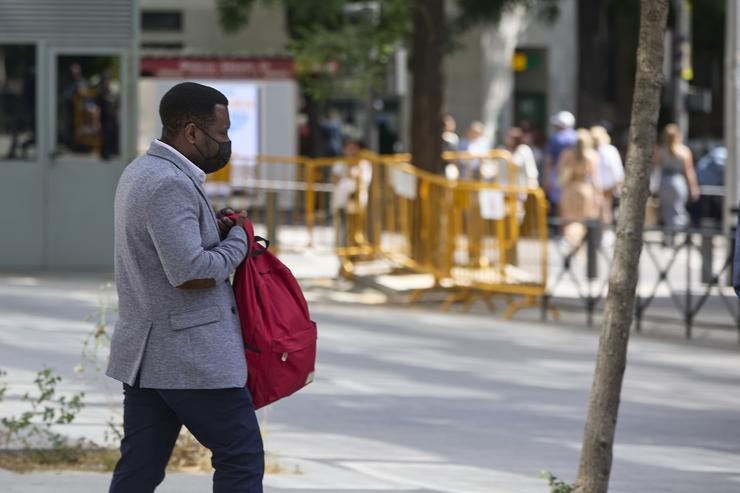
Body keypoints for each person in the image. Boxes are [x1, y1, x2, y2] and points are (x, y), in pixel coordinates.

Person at [107, 82, 264, 493]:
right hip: (191, 358)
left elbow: (169, 250)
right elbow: (189, 269)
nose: (225, 143)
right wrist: (240, 241)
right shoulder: (168, 182)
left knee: (139, 471)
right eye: (223, 132)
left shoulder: (141, 171)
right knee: (242, 457)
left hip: (149, 356)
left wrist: (217, 230)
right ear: (192, 132)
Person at [558, 128, 602, 246]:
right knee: (581, 221)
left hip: (570, 189)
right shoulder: (592, 155)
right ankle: (576, 245)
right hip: (585, 190)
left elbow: (561, 174)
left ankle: (570, 243)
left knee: (568, 220)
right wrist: (598, 195)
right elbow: (595, 179)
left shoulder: (566, 154)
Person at [653, 123, 700, 232]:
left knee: (666, 210)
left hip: (664, 183)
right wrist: (693, 187)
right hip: (678, 182)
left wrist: (654, 187)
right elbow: (689, 172)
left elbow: (656, 171)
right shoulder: (684, 151)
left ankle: (669, 235)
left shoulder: (661, 150)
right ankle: (676, 233)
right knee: (678, 209)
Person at [590, 125, 624, 234]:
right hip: (605, 185)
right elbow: (617, 171)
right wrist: (618, 184)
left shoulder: (592, 150)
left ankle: (601, 233)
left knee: (601, 209)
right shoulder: (609, 150)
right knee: (605, 209)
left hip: (600, 186)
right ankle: (603, 233)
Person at [544, 111, 577, 217]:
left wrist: (547, 178)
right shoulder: (577, 137)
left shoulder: (556, 138)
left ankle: (561, 228)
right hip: (575, 175)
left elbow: (550, 160)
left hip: (558, 173)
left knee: (558, 203)